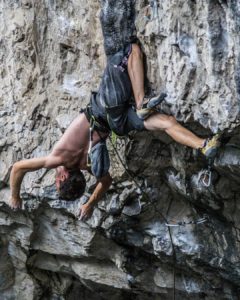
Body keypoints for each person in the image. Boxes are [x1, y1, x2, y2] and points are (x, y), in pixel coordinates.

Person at [8, 41, 220, 220]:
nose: (55, 178)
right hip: (108, 104)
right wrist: (15, 196)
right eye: (56, 182)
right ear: (63, 177)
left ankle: (202, 144)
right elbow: (18, 168)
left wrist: (90, 204)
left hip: (119, 124)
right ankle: (141, 101)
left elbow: (106, 181)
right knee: (132, 50)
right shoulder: (57, 158)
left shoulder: (87, 166)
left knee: (165, 123)